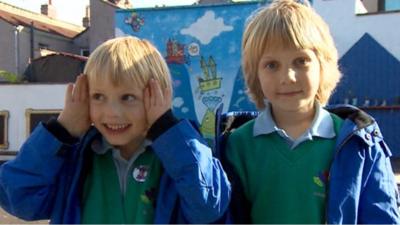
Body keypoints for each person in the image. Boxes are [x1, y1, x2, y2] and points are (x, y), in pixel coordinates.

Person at [0, 37, 231, 224]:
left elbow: (207, 207)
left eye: (127, 97)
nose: (112, 113)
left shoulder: (181, 152)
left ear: (158, 97)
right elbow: (18, 198)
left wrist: (167, 128)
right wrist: (62, 131)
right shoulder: (76, 158)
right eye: (98, 97)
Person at [218, 0, 400, 223]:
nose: (288, 77)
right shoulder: (236, 145)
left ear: (323, 65)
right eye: (272, 65)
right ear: (255, 74)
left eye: (301, 61)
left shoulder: (360, 144)